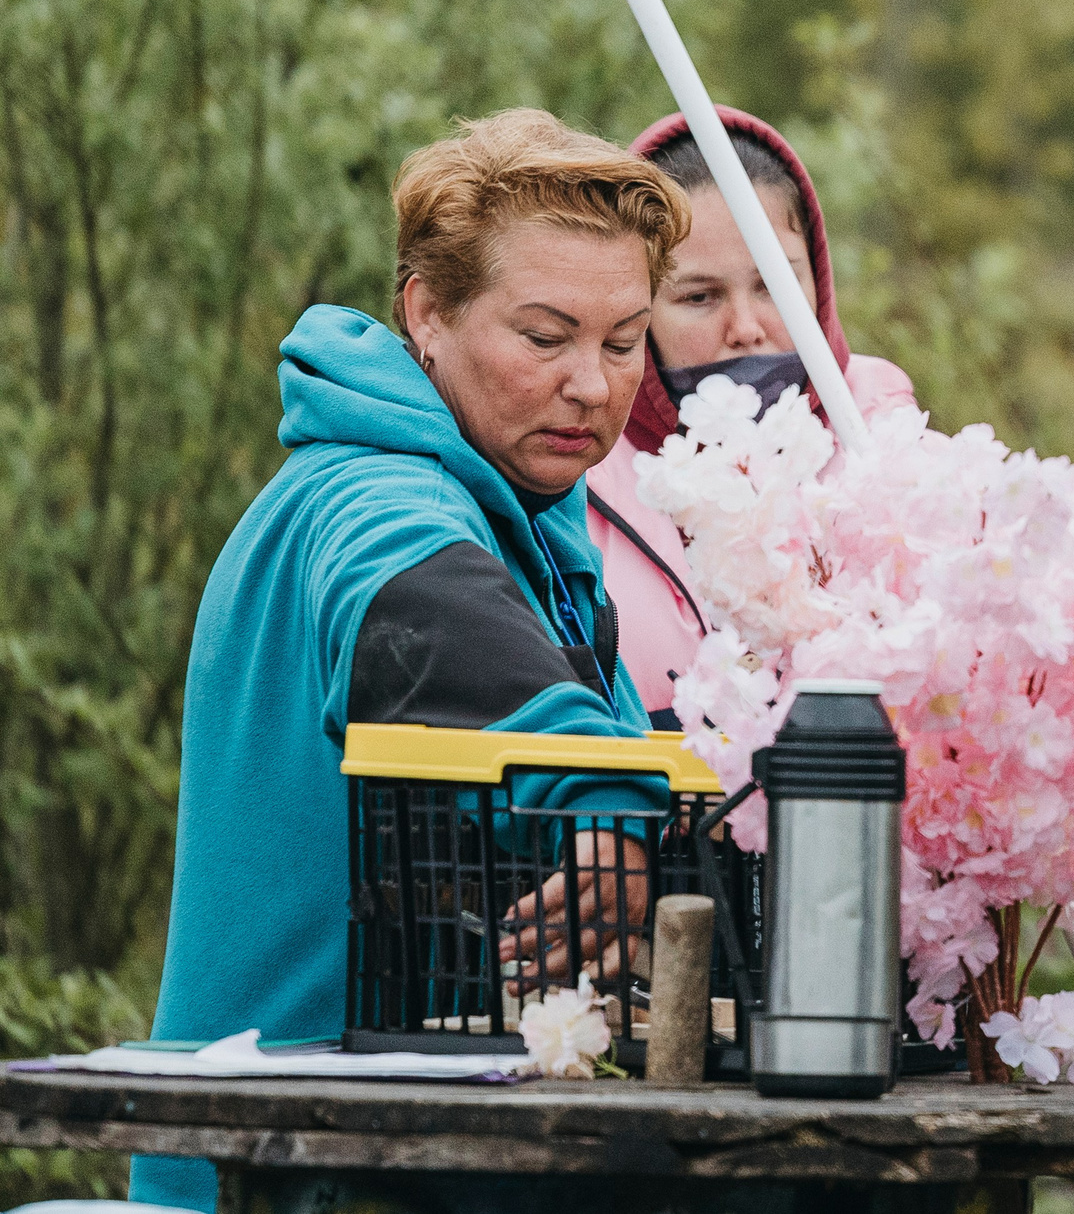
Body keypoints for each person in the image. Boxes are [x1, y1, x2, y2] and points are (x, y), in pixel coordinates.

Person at [132, 112, 690, 1212]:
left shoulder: (537, 519)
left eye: (624, 342)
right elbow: (436, 629)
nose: (591, 383)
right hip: (280, 1165)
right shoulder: (373, 499)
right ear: (426, 314)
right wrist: (612, 806)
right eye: (544, 337)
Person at [583, 107, 913, 721]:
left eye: (774, 287)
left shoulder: (889, 443)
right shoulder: (574, 472)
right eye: (699, 296)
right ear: (635, 310)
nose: (746, 328)